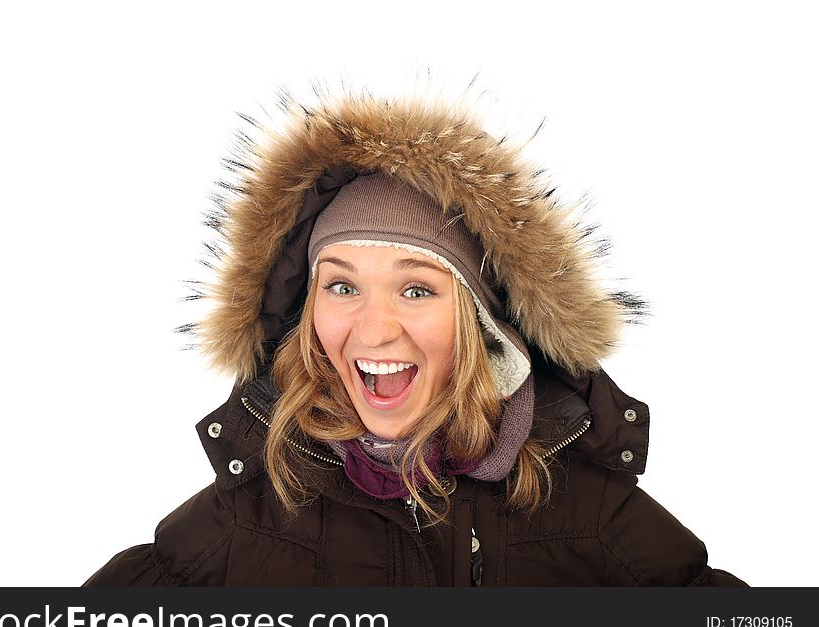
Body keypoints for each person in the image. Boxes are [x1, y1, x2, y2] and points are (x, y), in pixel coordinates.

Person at [84, 88, 747, 586]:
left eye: (417, 288)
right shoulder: (253, 510)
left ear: (479, 322)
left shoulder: (587, 510)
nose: (373, 328)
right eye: (341, 286)